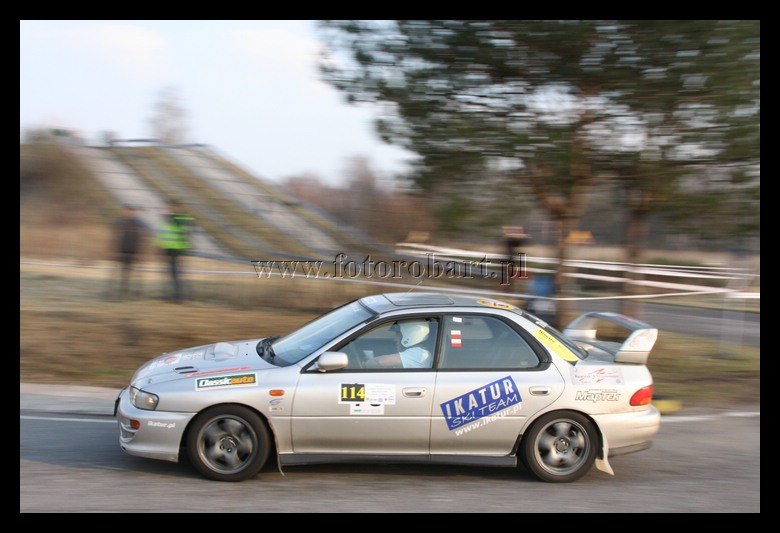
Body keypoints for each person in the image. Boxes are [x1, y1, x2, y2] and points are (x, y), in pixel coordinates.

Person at [155, 201, 193, 303]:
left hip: (177, 251)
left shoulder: (181, 219)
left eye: (172, 208)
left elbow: (186, 227)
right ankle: (170, 295)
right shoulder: (168, 220)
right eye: (169, 208)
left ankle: (179, 296)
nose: (170, 210)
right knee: (170, 274)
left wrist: (183, 249)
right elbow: (162, 233)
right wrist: (158, 246)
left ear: (178, 208)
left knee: (177, 275)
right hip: (168, 250)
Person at [108, 204, 145, 300]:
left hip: (132, 251)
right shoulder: (120, 222)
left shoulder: (136, 223)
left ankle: (127, 290)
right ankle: (116, 291)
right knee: (118, 272)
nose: (128, 212)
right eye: (127, 210)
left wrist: (139, 252)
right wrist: (114, 249)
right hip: (121, 250)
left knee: (129, 272)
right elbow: (115, 236)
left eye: (130, 211)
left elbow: (139, 238)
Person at [366, 320, 432, 369]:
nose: (395, 339)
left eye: (398, 334)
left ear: (409, 335)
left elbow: (379, 362)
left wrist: (363, 365)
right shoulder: (418, 353)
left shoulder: (419, 353)